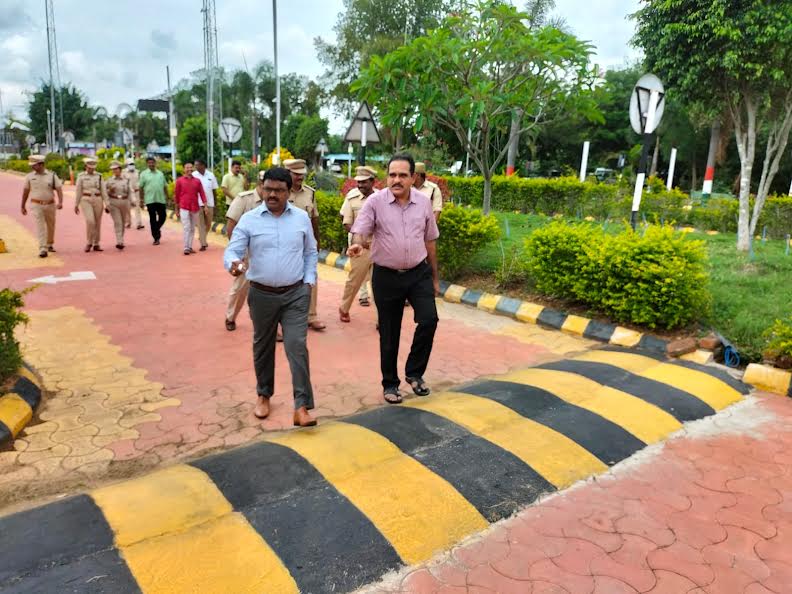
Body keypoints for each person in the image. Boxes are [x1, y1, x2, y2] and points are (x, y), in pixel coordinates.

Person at [224, 167, 318, 427]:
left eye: (278, 190)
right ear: (262, 188)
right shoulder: (250, 219)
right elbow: (233, 250)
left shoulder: (301, 218)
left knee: (296, 346)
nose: (272, 194)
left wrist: (309, 280)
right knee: (263, 346)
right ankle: (263, 395)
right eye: (268, 189)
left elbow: (310, 252)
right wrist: (233, 263)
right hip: (261, 295)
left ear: (289, 192)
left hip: (296, 293)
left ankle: (302, 406)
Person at [348, 153, 440, 404]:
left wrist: (434, 277)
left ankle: (415, 373)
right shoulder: (375, 202)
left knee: (429, 319)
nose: (396, 180)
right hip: (386, 276)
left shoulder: (423, 203)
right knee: (389, 332)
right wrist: (357, 244)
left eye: (402, 175)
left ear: (413, 178)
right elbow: (360, 230)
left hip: (418, 273)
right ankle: (390, 383)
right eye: (392, 175)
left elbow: (430, 241)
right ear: (387, 177)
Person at [284, 158, 326, 331]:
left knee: (311, 277)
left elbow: (314, 219)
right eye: (296, 174)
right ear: (288, 174)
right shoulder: (281, 192)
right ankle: (283, 318)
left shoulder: (310, 193)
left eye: (302, 174)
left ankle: (311, 316)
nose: (300, 177)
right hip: (285, 243)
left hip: (305, 244)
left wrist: (317, 241)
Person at [224, 171, 265, 331]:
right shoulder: (243, 199)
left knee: (268, 291)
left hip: (265, 253)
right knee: (240, 288)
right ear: (260, 183)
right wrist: (237, 254)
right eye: (265, 185)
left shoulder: (275, 202)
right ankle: (231, 317)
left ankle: (270, 326)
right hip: (246, 254)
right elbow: (231, 224)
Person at [339, 166, 377, 323]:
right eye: (358, 182)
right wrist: (360, 237)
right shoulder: (352, 197)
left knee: (380, 284)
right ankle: (344, 308)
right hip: (360, 247)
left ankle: (381, 319)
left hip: (380, 247)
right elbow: (346, 222)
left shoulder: (382, 198)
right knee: (354, 280)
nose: (360, 185)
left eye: (364, 182)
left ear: (372, 182)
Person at [21, 154, 63, 258]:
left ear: (41, 164)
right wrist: (22, 205)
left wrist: (60, 202)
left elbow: (59, 189)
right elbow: (25, 191)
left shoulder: (52, 175)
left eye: (34, 165)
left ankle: (49, 244)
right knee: (40, 226)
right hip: (36, 205)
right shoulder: (29, 177)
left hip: (50, 204)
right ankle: (42, 248)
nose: (32, 166)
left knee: (50, 225)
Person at [74, 156, 108, 253]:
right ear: (86, 166)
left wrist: (107, 203)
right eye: (89, 167)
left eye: (93, 168)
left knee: (97, 222)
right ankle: (89, 242)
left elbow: (103, 191)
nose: (91, 169)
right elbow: (78, 190)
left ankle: (96, 243)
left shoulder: (99, 176)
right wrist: (76, 204)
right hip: (86, 199)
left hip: (98, 199)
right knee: (90, 221)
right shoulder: (81, 176)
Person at [174, 161, 207, 255]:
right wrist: (176, 209)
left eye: (191, 167)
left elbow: (202, 193)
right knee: (187, 227)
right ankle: (186, 247)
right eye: (187, 167)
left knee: (192, 228)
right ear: (184, 169)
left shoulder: (197, 181)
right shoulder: (179, 181)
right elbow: (176, 195)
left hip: (195, 207)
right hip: (184, 207)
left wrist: (205, 206)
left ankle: (189, 246)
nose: (189, 169)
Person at [138, 157, 168, 245]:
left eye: (152, 162)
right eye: (149, 163)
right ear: (147, 164)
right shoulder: (143, 174)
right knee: (153, 218)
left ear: (155, 163)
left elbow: (165, 186)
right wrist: (141, 200)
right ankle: (156, 238)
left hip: (160, 199)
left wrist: (167, 196)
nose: (151, 164)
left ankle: (156, 229)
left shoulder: (160, 174)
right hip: (149, 200)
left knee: (163, 216)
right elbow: (140, 187)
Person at [193, 158, 219, 251]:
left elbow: (214, 190)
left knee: (208, 224)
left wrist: (215, 203)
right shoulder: (194, 175)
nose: (196, 167)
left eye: (197, 165)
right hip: (198, 203)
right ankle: (203, 244)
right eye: (195, 165)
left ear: (203, 165)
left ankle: (202, 237)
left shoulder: (211, 175)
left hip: (210, 203)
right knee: (200, 224)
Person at [106, 161, 132, 250]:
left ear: (120, 169)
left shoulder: (126, 180)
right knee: (118, 222)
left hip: (124, 202)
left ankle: (121, 239)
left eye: (116, 169)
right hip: (114, 202)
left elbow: (130, 191)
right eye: (113, 169)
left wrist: (132, 201)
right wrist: (109, 191)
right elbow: (104, 192)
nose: (114, 171)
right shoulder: (109, 180)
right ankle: (119, 241)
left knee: (123, 222)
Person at [122, 158, 144, 230]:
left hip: (136, 192)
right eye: (130, 164)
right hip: (128, 192)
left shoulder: (137, 172)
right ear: (127, 165)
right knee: (127, 208)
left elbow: (140, 182)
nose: (132, 165)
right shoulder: (124, 173)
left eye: (133, 164)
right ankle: (128, 222)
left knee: (137, 208)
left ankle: (139, 223)